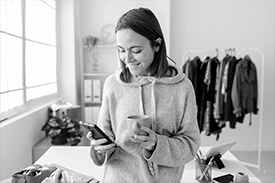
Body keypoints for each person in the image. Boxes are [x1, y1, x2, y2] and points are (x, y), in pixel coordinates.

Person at [86, 7, 201, 183]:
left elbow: (191, 145)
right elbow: (105, 138)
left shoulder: (182, 88)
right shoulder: (113, 85)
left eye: (136, 50)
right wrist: (99, 149)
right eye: (121, 50)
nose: (127, 58)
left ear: (156, 45)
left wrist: (157, 144)